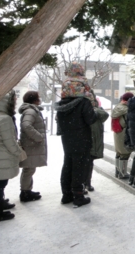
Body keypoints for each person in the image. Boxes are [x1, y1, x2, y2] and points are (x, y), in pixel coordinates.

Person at [55, 63, 97, 207]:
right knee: (80, 166)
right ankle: (78, 195)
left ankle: (66, 194)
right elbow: (90, 119)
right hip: (82, 138)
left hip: (67, 139)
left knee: (68, 164)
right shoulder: (83, 102)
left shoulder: (62, 103)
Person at [0, 90, 23, 222]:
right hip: (2, 158)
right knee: (0, 184)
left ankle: (0, 204)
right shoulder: (4, 118)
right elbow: (10, 142)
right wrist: (19, 153)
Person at [18, 91, 47, 202]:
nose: (39, 99)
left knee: (29, 169)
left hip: (31, 145)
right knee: (28, 169)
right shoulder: (31, 111)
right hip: (31, 145)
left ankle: (27, 190)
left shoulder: (31, 110)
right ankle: (25, 192)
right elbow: (26, 125)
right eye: (38, 97)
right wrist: (38, 137)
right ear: (34, 99)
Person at [85, 94, 109, 192]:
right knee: (84, 165)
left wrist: (94, 108)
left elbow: (105, 115)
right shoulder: (85, 112)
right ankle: (83, 184)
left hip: (92, 143)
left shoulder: (97, 112)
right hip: (86, 142)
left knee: (89, 164)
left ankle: (87, 183)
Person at [111, 92, 134, 179]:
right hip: (123, 132)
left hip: (117, 132)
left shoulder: (118, 107)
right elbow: (126, 122)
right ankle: (123, 173)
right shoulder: (126, 110)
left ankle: (118, 171)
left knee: (119, 152)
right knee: (125, 153)